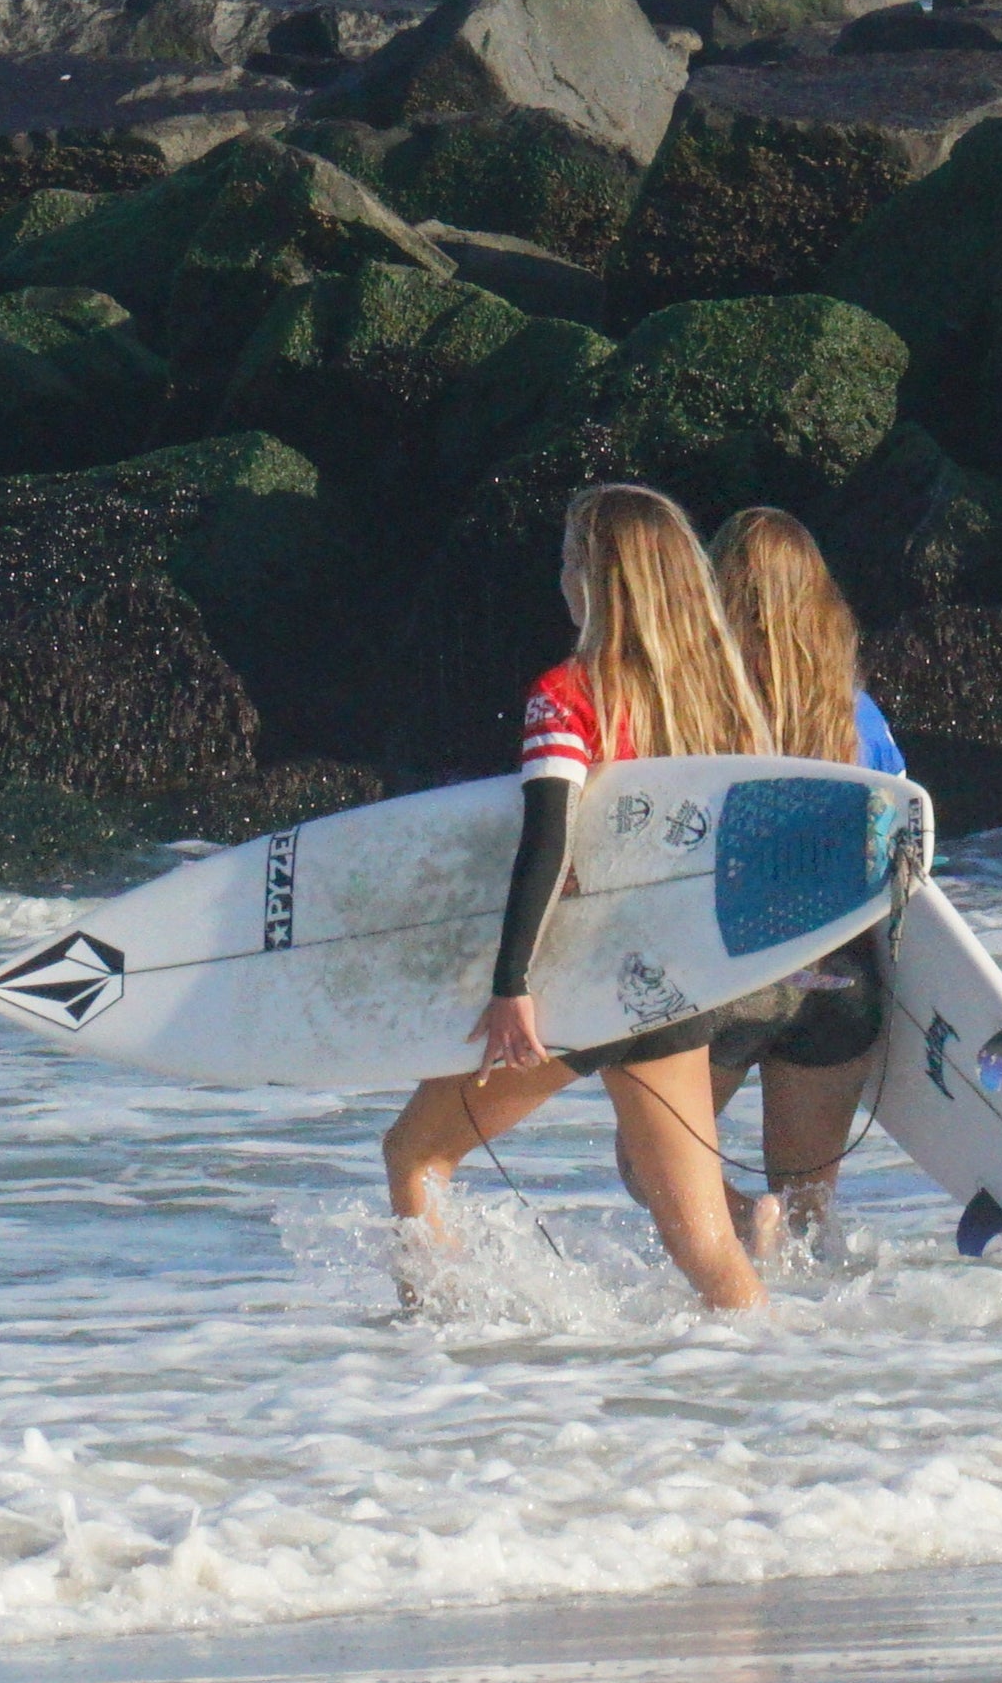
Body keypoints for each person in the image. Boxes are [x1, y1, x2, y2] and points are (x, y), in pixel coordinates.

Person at [377, 482, 779, 1310]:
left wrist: (511, 985)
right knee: (702, 1244)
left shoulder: (568, 694)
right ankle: (773, 1380)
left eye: (568, 558)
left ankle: (427, 1353)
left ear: (599, 577)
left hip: (580, 980)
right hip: (676, 979)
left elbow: (546, 841)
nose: (559, 575)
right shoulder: (726, 702)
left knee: (415, 1156)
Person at [704, 508, 904, 1243]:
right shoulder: (862, 721)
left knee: (648, 1164)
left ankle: (739, 1226)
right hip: (844, 983)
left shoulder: (706, 718)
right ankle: (814, 1351)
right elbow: (903, 861)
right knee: (810, 1220)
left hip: (739, 977)